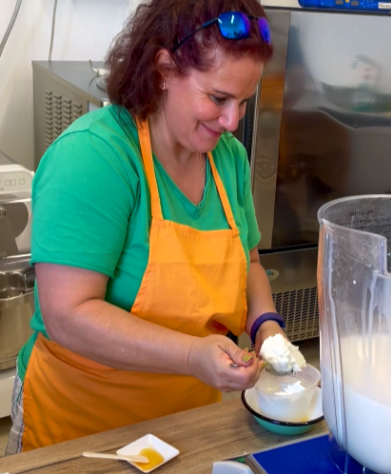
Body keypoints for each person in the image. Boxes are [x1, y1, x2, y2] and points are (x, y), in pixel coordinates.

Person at [6, 0, 288, 454]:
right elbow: (67, 314)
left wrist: (266, 328)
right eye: (218, 98)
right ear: (164, 69)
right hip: (82, 430)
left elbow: (248, 261)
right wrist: (193, 355)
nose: (232, 121)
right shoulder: (96, 157)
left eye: (243, 102)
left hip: (188, 424)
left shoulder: (228, 159)